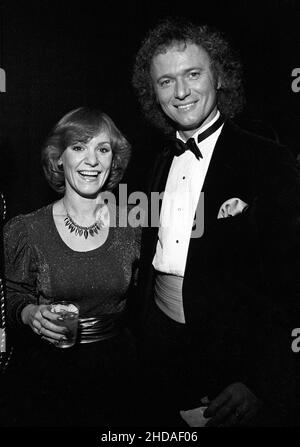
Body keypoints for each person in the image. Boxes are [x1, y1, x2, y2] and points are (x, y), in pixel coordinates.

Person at [131, 17, 300, 426]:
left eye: (193, 74)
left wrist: (262, 381)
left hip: (235, 363)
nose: (182, 91)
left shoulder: (267, 159)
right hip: (160, 349)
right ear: (153, 92)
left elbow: (293, 282)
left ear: (219, 76)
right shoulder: (156, 161)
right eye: (166, 81)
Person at [2, 107, 141, 426]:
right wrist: (30, 314)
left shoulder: (133, 226)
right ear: (58, 158)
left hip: (119, 373)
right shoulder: (26, 230)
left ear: (113, 161)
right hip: (50, 377)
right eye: (79, 147)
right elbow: (10, 296)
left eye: (102, 149)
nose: (92, 160)